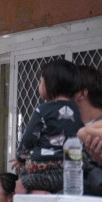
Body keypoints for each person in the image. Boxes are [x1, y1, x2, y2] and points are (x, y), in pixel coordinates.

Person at [15, 59, 83, 193]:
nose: (39, 85)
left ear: (50, 83)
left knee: (21, 178)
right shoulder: (78, 110)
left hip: (42, 168)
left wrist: (19, 158)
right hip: (70, 170)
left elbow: (29, 138)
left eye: (41, 81)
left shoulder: (43, 110)